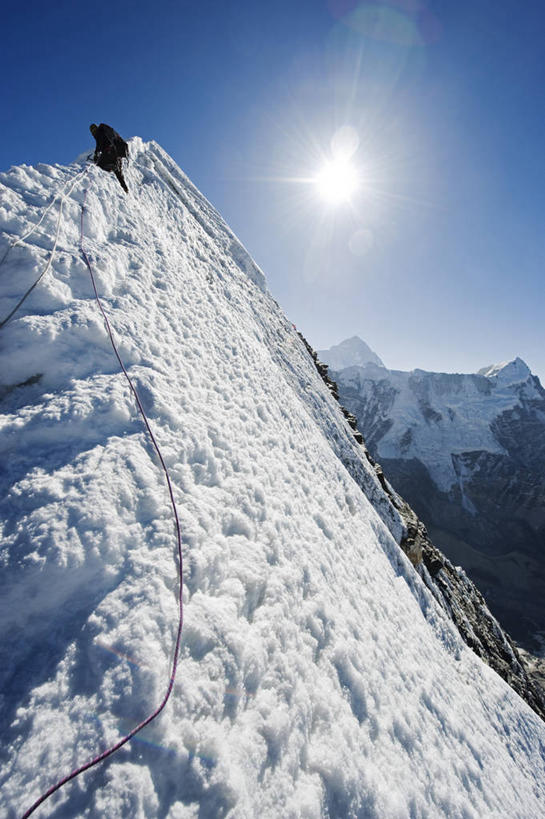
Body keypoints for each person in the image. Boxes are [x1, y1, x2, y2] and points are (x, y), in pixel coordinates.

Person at [89, 123, 129, 193]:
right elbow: (119, 173)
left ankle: (110, 167)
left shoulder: (99, 133)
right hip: (116, 155)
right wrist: (124, 185)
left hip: (109, 152)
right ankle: (125, 188)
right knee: (117, 170)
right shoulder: (107, 132)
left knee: (99, 165)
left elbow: (99, 144)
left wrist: (96, 154)